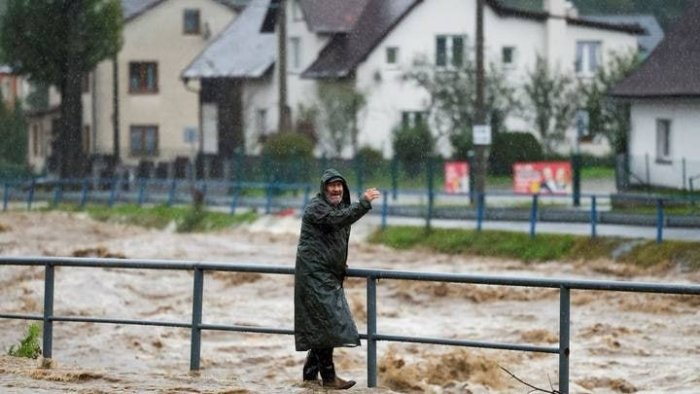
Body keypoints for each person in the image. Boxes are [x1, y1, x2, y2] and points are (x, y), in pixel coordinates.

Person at [294, 168, 381, 389]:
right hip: (315, 276)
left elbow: (333, 237)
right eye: (331, 186)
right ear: (323, 189)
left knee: (324, 326)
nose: (336, 189)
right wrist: (363, 204)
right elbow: (337, 220)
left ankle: (310, 376)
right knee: (328, 325)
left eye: (339, 185)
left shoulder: (337, 208)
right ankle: (329, 378)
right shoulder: (317, 208)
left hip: (326, 276)